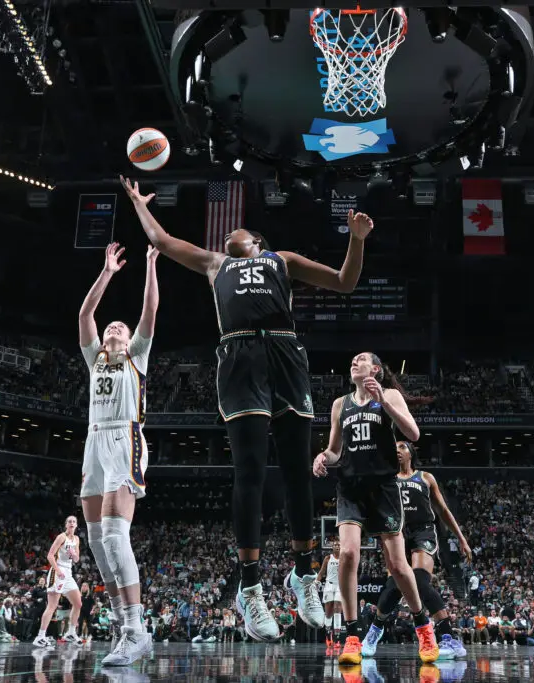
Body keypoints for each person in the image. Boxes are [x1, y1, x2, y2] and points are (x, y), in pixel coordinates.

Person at [121, 175, 374, 641]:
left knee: (297, 471)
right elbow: (162, 239)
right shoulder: (215, 263)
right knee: (250, 471)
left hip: (284, 353)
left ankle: (303, 574)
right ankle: (250, 587)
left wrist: (356, 241)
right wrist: (138, 203)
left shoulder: (282, 260)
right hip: (239, 358)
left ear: (256, 241)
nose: (225, 235)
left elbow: (345, 281)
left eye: (235, 232)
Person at [313, 352, 439, 665]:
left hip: (383, 489)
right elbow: (335, 450)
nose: (354, 362)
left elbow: (413, 434)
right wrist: (322, 457)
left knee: (397, 566)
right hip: (350, 489)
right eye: (352, 360)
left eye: (361, 359)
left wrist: (383, 401)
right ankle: (352, 636)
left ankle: (423, 625)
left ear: (376, 369)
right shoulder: (340, 404)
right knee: (348, 553)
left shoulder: (390, 395)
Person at [78, 241, 159, 665]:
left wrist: (150, 264)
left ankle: (136, 630)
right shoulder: (94, 358)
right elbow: (85, 315)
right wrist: (107, 272)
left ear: (129, 340)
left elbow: (149, 312)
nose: (114, 326)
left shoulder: (136, 356)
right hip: (94, 442)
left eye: (120, 327)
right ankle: (120, 623)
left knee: (113, 535)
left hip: (124, 439)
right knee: (96, 542)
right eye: (111, 325)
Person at [362, 441, 471, 659]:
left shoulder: (425, 478)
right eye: (394, 448)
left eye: (402, 447)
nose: (397, 450)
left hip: (423, 531)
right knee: (394, 586)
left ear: (411, 453)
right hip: (397, 533)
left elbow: (443, 510)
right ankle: (375, 630)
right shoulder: (387, 479)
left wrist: (461, 538)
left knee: (420, 581)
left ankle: (448, 637)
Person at [34, 516, 85, 647]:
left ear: (76, 525)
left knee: (78, 603)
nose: (72, 523)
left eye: (74, 521)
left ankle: (70, 633)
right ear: (66, 524)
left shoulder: (77, 539)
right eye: (69, 521)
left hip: (68, 573)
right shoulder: (61, 537)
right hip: (57, 571)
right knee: (52, 606)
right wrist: (58, 570)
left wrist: (73, 553)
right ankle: (40, 636)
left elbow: (76, 560)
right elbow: (50, 555)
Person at [316, 536, 342, 652]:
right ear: (332, 547)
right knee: (328, 612)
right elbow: (321, 572)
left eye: (339, 544)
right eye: (335, 544)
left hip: (340, 585)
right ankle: (328, 635)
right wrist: (317, 581)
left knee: (337, 608)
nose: (337, 546)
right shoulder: (328, 558)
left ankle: (337, 638)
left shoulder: (344, 558)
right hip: (329, 585)